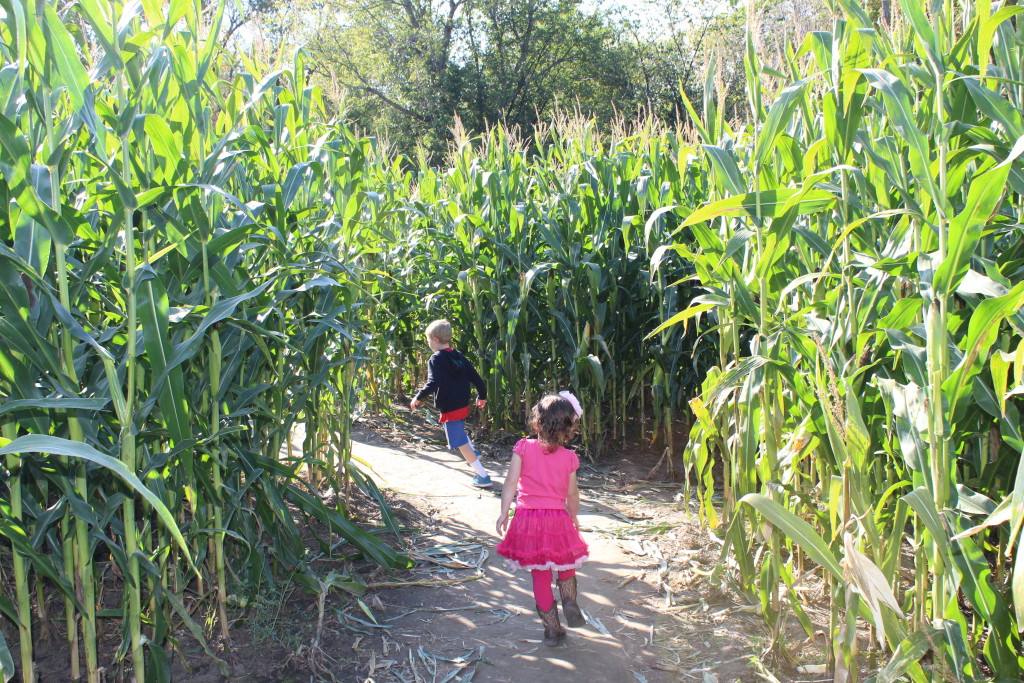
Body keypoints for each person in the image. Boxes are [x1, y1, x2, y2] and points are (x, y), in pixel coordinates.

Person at [495, 391, 589, 646]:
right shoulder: (569, 457)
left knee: (540, 575)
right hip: (557, 518)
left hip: (527, 519)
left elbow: (511, 482)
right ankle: (569, 600)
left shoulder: (523, 447)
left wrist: (504, 512)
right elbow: (572, 493)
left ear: (536, 423)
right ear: (568, 429)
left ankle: (551, 629)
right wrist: (574, 516)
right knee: (565, 562)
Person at [410, 319, 492, 487]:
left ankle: (482, 476)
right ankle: (473, 450)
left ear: (435, 340)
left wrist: (418, 396)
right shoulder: (458, 356)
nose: (428, 344)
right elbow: (476, 378)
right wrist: (482, 396)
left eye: (428, 341)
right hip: (463, 403)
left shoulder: (436, 359)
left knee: (459, 442)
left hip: (450, 407)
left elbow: (433, 382)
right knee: (460, 430)